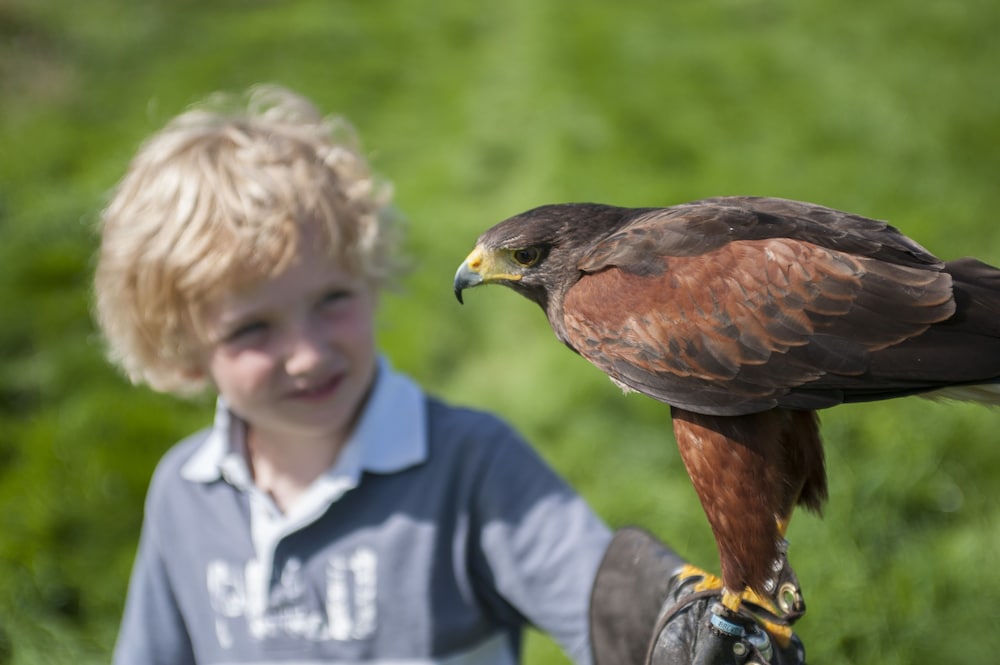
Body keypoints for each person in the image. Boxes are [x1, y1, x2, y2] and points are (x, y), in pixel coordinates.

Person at [95, 84, 805, 665]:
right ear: (182, 349)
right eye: (254, 328)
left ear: (371, 281)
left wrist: (669, 621)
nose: (307, 352)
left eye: (330, 301)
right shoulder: (181, 496)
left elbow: (597, 592)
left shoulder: (470, 463)